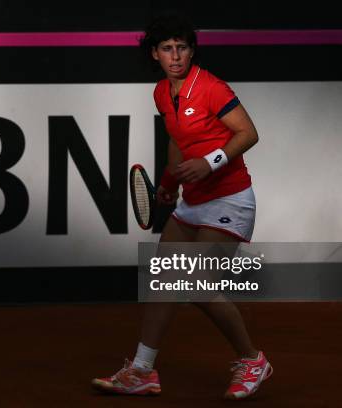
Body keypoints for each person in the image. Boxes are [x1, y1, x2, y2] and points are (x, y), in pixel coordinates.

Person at [91, 14, 272, 400]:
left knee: (196, 284)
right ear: (155, 54)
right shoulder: (161, 93)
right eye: (168, 49)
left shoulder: (211, 88)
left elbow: (249, 133)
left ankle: (252, 360)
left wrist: (211, 162)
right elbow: (177, 140)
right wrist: (170, 182)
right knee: (165, 280)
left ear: (191, 51)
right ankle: (141, 370)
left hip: (230, 200)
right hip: (193, 203)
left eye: (183, 47)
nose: (176, 55)